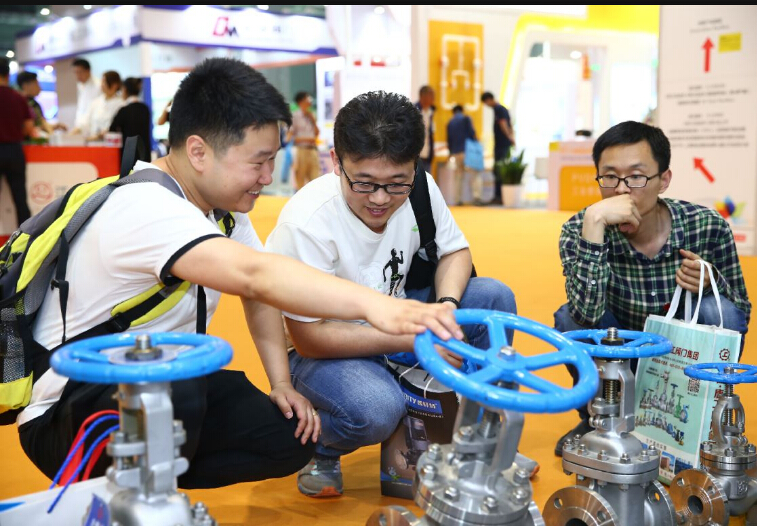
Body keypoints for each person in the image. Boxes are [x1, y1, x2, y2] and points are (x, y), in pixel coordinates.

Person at [17, 58, 462, 490]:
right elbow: (255, 275)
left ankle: (156, 472)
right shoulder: (144, 207)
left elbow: (261, 295)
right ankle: (134, 495)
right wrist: (380, 308)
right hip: (71, 410)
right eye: (258, 162)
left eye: (273, 160)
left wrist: (281, 384)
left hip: (153, 387)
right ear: (199, 152)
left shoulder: (223, 213)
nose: (268, 177)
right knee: (176, 393)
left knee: (289, 436)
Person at [266, 90, 519, 498]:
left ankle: (480, 440)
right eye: (364, 183)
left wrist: (446, 308)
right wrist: (417, 339)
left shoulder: (420, 188)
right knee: (376, 409)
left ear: (415, 166)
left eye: (397, 183)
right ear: (336, 161)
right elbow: (310, 338)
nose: (380, 199)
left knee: (493, 299)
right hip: (323, 350)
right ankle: (319, 446)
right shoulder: (307, 223)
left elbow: (455, 252)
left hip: (400, 316)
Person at [552, 121, 751, 456]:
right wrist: (595, 225)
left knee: (719, 311)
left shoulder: (707, 226)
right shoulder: (579, 228)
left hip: (681, 360)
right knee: (569, 320)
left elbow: (740, 311)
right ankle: (599, 418)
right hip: (619, 353)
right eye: (609, 177)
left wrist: (711, 281)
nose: (621, 190)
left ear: (664, 180)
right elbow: (585, 315)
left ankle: (703, 422)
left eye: (636, 177)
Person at [0, 58, 33, 227]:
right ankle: (26, 237)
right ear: (8, 75)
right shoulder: (18, 98)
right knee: (20, 199)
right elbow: (29, 127)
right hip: (15, 150)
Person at [480, 92, 515, 205]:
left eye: (486, 102)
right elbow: (510, 125)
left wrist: (510, 138)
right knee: (499, 170)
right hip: (503, 144)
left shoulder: (499, 109)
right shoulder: (501, 109)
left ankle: (499, 196)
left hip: (502, 145)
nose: (486, 105)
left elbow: (503, 124)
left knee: (499, 171)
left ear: (489, 99)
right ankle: (500, 196)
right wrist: (511, 137)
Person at [71, 70, 123, 141]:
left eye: (104, 82)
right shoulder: (96, 102)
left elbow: (115, 128)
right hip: (92, 143)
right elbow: (86, 121)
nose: (101, 85)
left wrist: (99, 135)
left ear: (115, 85)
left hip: (109, 143)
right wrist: (77, 130)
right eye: (102, 81)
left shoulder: (121, 104)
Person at [109, 77, 152, 162]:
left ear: (125, 89)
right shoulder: (145, 109)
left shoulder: (123, 110)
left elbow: (112, 129)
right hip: (144, 154)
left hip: (128, 155)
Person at [286, 91, 320, 190]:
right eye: (307, 98)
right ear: (301, 101)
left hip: (312, 149)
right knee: (300, 178)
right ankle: (299, 197)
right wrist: (307, 139)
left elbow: (317, 133)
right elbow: (291, 136)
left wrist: (313, 120)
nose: (310, 100)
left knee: (315, 178)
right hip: (300, 150)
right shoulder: (295, 116)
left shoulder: (311, 114)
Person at [16, 70, 67, 136]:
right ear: (25, 85)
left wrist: (55, 126)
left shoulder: (35, 104)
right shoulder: (19, 103)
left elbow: (41, 124)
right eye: (36, 84)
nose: (40, 88)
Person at [446, 104, 478, 205]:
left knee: (458, 176)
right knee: (474, 174)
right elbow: (472, 133)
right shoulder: (466, 119)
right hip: (468, 151)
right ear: (462, 110)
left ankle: (457, 199)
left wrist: (450, 153)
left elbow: (449, 140)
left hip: (456, 152)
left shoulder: (450, 123)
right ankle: (476, 197)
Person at [72, 58, 102, 131]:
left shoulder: (98, 85)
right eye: (75, 72)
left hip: (93, 128)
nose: (77, 75)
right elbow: (81, 108)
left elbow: (93, 110)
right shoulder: (81, 85)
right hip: (80, 127)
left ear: (88, 71)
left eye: (79, 72)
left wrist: (80, 127)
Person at [415, 85, 436, 175]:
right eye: (431, 96)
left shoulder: (430, 112)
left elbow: (430, 134)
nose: (433, 99)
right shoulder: (414, 111)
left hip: (427, 154)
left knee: (427, 180)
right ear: (422, 96)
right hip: (416, 155)